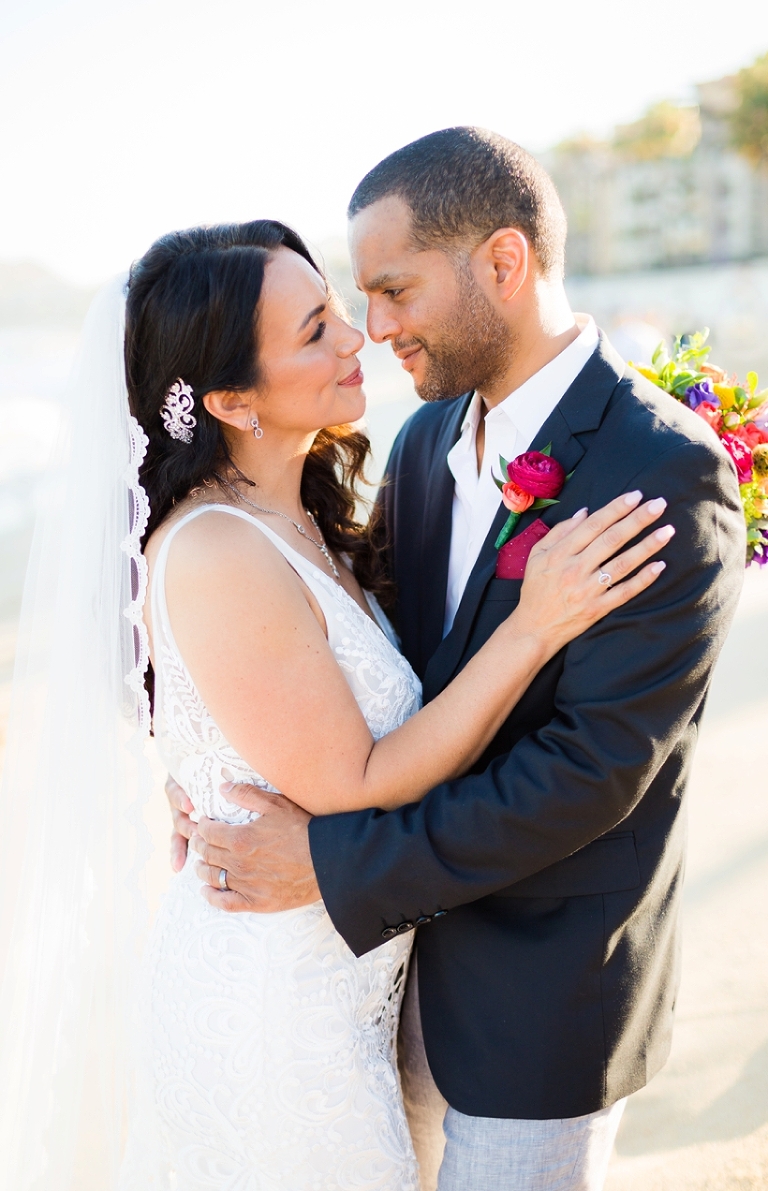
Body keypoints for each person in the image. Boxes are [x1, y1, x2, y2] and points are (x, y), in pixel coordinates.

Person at [171, 129, 746, 1191]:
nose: (372, 329)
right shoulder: (429, 443)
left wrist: (331, 865)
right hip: (375, 994)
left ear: (503, 263)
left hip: (540, 999)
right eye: (357, 299)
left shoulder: (660, 472)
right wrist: (204, 757)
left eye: (394, 291)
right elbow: (361, 651)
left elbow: (588, 778)